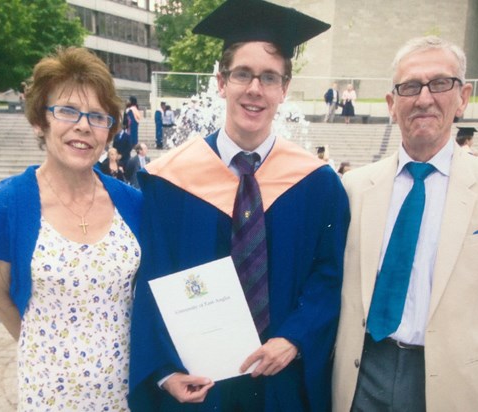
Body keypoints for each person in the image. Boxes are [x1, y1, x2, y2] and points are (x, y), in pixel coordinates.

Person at [129, 0, 350, 411]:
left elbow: (329, 274)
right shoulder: (169, 182)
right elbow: (152, 280)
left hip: (282, 383)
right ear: (221, 81)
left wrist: (296, 338)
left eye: (269, 77)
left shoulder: (318, 185)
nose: (254, 89)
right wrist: (164, 370)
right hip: (200, 386)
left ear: (284, 89)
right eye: (242, 74)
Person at [332, 36, 478, 412]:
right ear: (391, 105)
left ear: (463, 97)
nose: (424, 98)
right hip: (364, 373)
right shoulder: (355, 187)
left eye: (440, 83)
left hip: (449, 380)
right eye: (409, 86)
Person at [0, 47, 144, 410]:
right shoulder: (1, 208)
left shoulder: (133, 203)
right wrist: (46, 350)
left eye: (98, 116)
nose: (83, 125)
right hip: (49, 395)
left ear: (108, 131)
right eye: (67, 111)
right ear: (40, 121)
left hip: (126, 394)